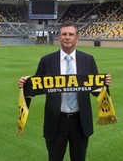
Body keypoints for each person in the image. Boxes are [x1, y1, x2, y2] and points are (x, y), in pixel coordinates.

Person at [18, 21, 112, 161]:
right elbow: (37, 85)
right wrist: (25, 83)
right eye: (64, 34)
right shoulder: (47, 61)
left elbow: (95, 91)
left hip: (80, 123)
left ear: (77, 38)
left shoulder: (88, 60)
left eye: (71, 34)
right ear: (59, 37)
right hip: (56, 122)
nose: (67, 37)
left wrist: (104, 85)